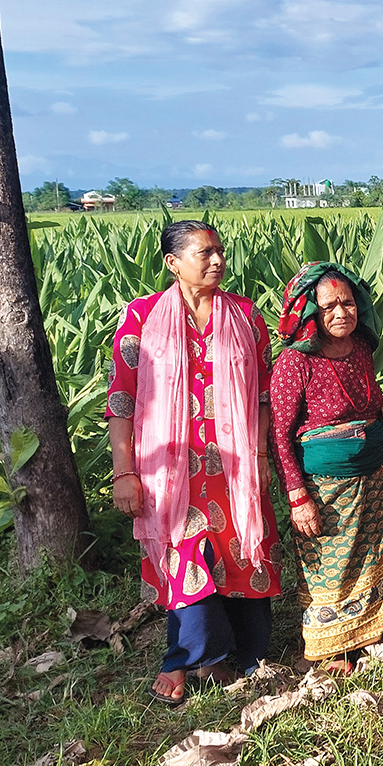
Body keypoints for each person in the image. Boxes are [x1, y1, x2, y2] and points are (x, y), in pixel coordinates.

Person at [106, 220, 280, 705]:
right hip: (170, 472)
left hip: (234, 469)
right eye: (204, 253)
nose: (217, 261)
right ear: (172, 263)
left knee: (240, 554)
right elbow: (121, 399)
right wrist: (125, 472)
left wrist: (261, 454)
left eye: (220, 251)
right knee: (187, 559)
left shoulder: (246, 316)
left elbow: (264, 395)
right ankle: (184, 658)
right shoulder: (141, 318)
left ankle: (233, 653)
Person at [269, 261, 383, 672]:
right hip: (324, 484)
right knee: (331, 564)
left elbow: (372, 406)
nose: (342, 313)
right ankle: (330, 648)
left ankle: (377, 627)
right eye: (330, 306)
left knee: (381, 550)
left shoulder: (359, 350)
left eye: (349, 303)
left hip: (371, 472)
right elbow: (279, 434)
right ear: (309, 313)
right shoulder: (294, 363)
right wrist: (297, 495)